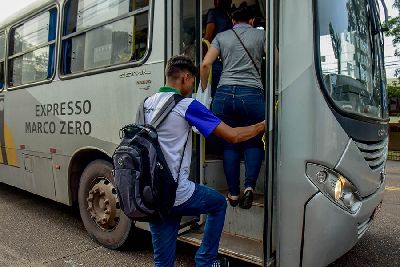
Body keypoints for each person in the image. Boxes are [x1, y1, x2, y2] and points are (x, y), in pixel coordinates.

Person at [145, 55, 265, 267]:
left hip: (152, 193)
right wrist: (262, 125)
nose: (192, 87)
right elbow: (233, 136)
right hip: (176, 192)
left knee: (162, 263)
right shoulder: (187, 105)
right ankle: (206, 261)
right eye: (192, 82)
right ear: (185, 77)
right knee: (218, 203)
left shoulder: (146, 104)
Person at [200, 7, 266, 209]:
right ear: (252, 20)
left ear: (232, 19)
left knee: (230, 143)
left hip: (224, 95)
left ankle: (234, 194)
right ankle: (249, 188)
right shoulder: (261, 35)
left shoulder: (221, 36)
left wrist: (204, 90)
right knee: (254, 141)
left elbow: (205, 65)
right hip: (252, 94)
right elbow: (277, 62)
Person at [204, 0, 232, 97]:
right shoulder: (213, 13)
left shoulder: (229, 14)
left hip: (226, 60)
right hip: (217, 59)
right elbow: (208, 38)